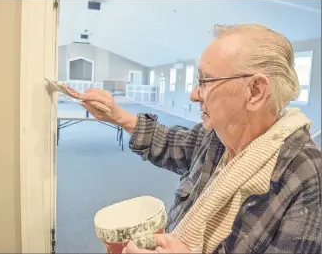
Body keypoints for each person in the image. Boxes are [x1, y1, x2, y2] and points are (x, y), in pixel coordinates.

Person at [80, 24, 321, 253]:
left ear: (255, 91)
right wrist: (117, 116)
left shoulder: (307, 176)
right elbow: (168, 142)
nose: (194, 94)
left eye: (205, 81)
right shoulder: (217, 137)